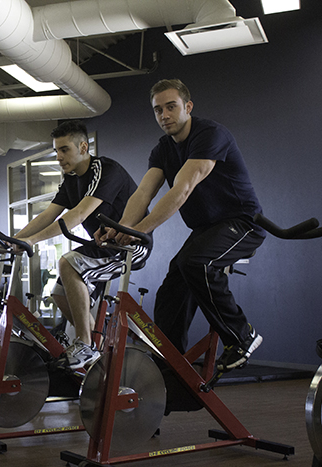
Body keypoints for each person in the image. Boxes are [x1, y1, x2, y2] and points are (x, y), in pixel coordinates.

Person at [98, 79, 265, 372]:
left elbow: (182, 189)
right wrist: (119, 227)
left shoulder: (209, 134)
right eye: (158, 110)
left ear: (187, 107)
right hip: (206, 229)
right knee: (170, 294)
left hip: (242, 223)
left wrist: (141, 230)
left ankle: (241, 335)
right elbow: (143, 193)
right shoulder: (163, 149)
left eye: (171, 107)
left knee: (195, 263)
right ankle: (169, 370)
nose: (164, 115)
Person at [12, 120, 149, 370]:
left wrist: (31, 240)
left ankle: (85, 344)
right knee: (58, 292)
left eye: (64, 149)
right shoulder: (71, 180)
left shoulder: (105, 170)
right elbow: (47, 215)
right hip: (104, 247)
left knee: (69, 262)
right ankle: (94, 348)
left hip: (129, 246)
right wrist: (15, 239)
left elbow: (78, 215)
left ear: (83, 146)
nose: (58, 157)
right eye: (56, 151)